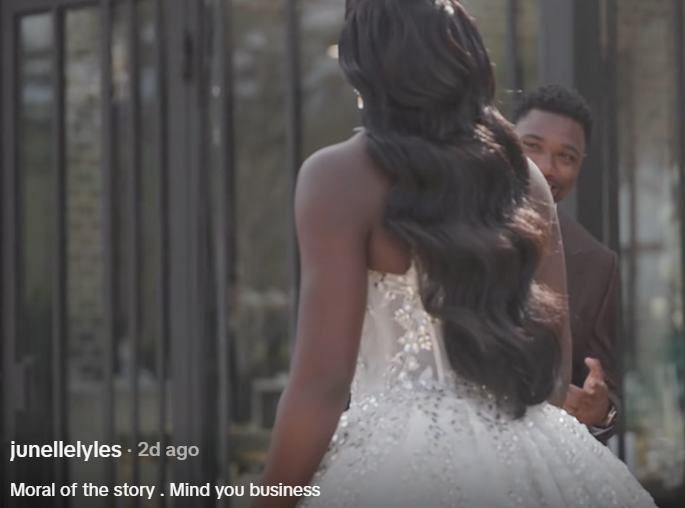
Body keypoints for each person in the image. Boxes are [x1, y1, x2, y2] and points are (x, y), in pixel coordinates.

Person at [250, 1, 657, 507]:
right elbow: (553, 363)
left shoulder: (338, 177)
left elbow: (322, 384)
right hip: (533, 452)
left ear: (364, 66)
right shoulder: (523, 177)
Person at [513, 85, 623, 445]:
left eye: (566, 156)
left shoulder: (598, 265)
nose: (546, 167)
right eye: (532, 146)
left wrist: (600, 411)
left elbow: (605, 391)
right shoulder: (452, 226)